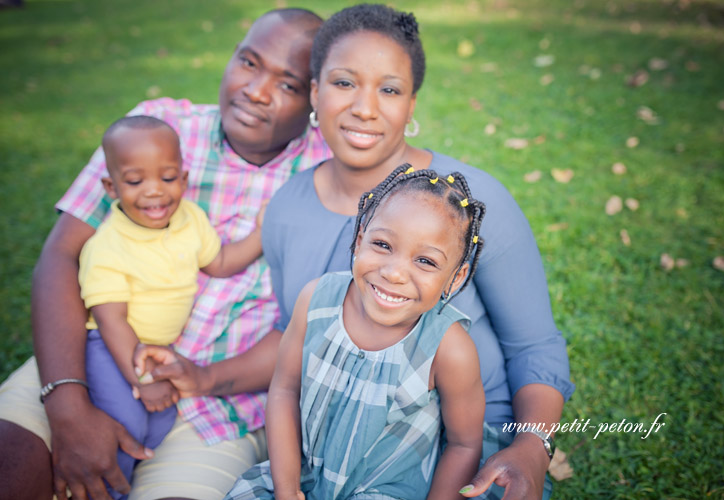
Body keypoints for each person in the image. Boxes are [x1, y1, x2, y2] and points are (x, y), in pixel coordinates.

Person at [134, 4, 574, 498]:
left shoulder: (469, 205)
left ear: (411, 107)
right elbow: (296, 335)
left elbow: (533, 347)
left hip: (464, 447)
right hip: (332, 447)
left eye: (389, 89)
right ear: (315, 93)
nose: (365, 107)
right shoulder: (287, 209)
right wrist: (205, 377)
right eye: (344, 83)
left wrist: (531, 449)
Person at [0, 8, 330, 500]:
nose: (256, 90)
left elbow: (308, 327)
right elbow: (62, 256)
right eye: (248, 62)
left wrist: (205, 378)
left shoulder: (326, 176)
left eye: (288, 84)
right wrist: (68, 404)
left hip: (219, 409)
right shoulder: (159, 131)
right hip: (91, 357)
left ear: (316, 101)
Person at [224, 166, 486, 500]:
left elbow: (464, 444)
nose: (394, 273)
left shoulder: (449, 348)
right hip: (300, 476)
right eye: (382, 244)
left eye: (426, 261)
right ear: (360, 239)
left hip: (387, 490)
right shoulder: (316, 300)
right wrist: (287, 490)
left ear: (457, 276)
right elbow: (285, 391)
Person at [80, 115, 275, 498]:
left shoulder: (190, 219)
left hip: (159, 352)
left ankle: (134, 473)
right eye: (135, 182)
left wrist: (261, 233)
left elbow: (219, 263)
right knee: (127, 421)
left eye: (167, 178)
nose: (155, 192)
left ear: (184, 180)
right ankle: (107, 490)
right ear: (111, 186)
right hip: (113, 348)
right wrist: (144, 380)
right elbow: (111, 320)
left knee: (160, 419)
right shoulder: (106, 247)